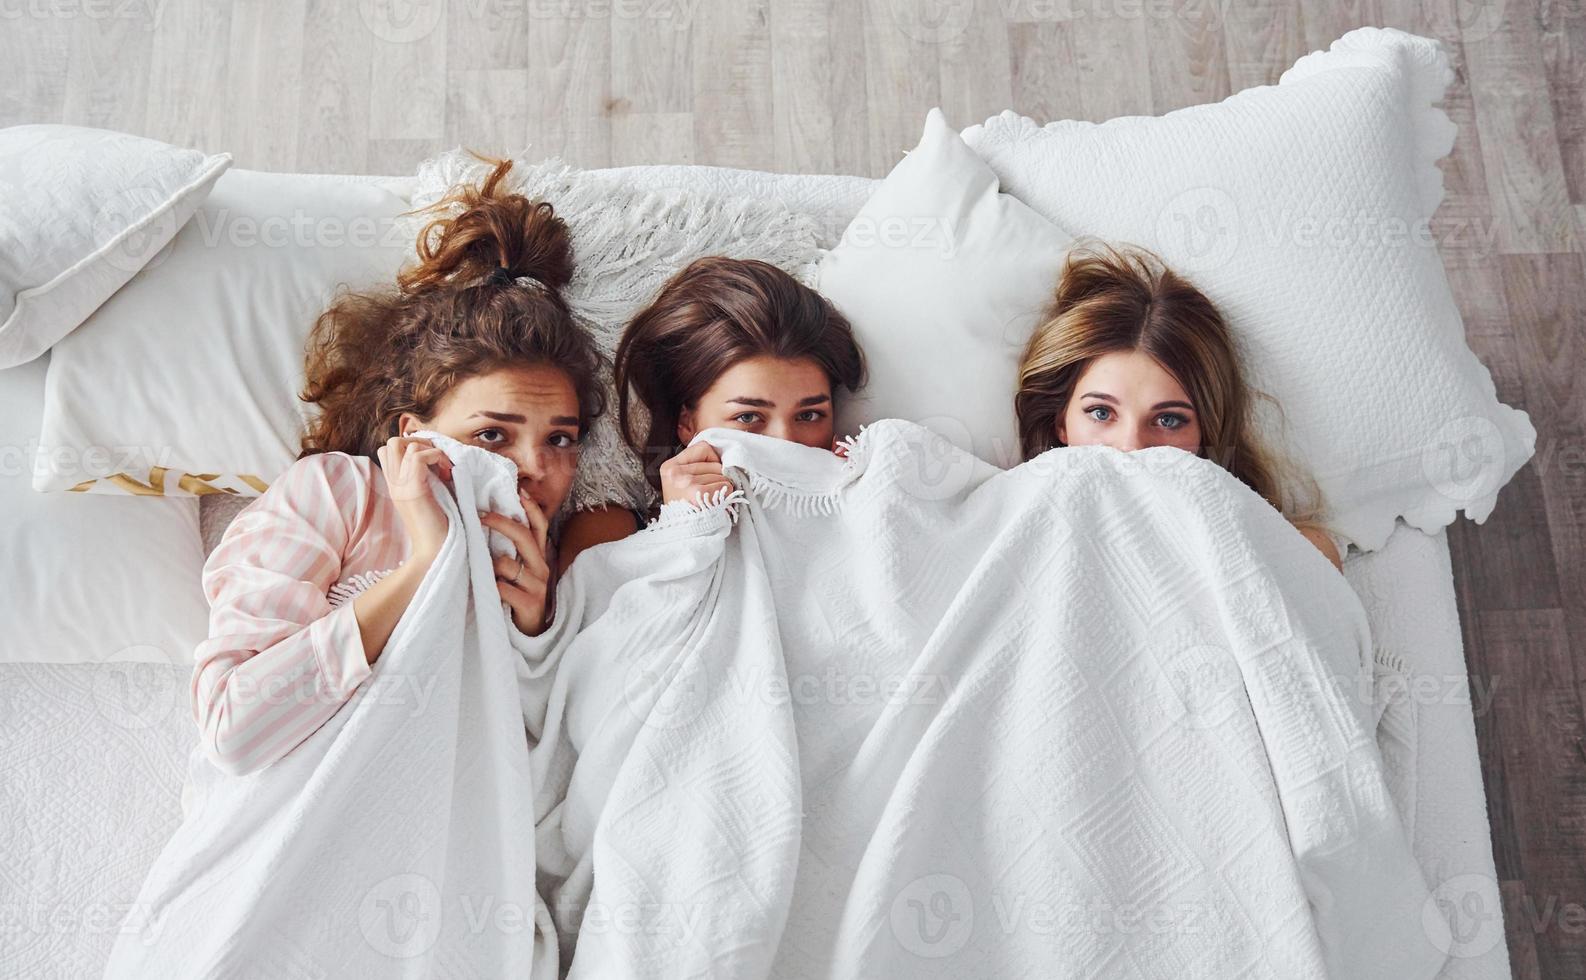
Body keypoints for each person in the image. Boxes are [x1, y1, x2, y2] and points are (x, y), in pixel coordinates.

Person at [190, 158, 606, 776]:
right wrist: (424, 567)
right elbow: (235, 730)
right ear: (413, 435)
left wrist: (532, 639)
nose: (531, 468)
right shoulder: (337, 494)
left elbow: (548, 771)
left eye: (562, 439)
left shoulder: (555, 556)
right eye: (492, 434)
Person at [1014, 241, 1345, 571]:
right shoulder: (1015, 518)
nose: (1131, 448)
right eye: (1102, 413)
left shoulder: (1291, 552)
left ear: (1206, 433)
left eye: (1169, 420)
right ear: (1061, 422)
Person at [558, 256, 866, 561]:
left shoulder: (867, 512)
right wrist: (682, 531)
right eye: (748, 417)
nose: (784, 443)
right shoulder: (610, 535)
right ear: (687, 422)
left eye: (809, 415)